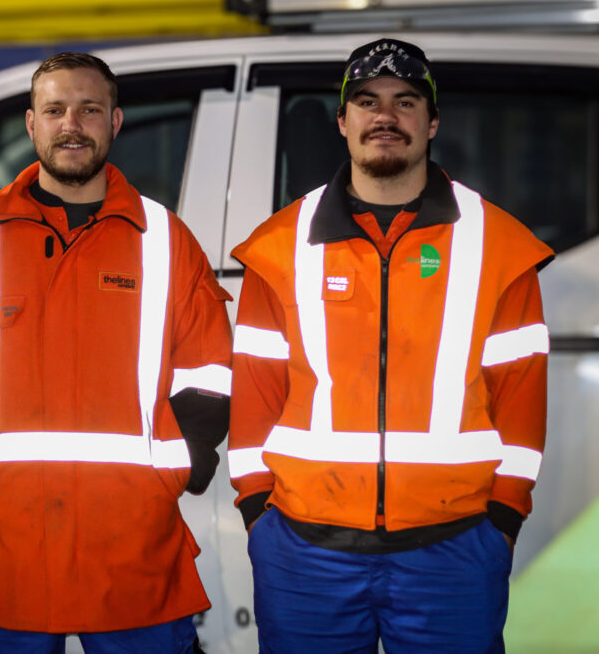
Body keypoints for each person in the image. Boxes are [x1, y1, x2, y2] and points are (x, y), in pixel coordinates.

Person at [228, 38, 552, 652]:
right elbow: (255, 394)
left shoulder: (499, 245)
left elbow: (522, 395)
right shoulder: (279, 247)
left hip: (453, 551)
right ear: (343, 121)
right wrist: (258, 514)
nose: (386, 117)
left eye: (406, 102)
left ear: (432, 123)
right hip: (303, 552)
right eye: (368, 101)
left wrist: (503, 520)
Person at [0, 52, 233, 653]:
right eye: (55, 110)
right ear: (31, 124)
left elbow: (208, 367)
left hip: (136, 547)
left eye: (89, 109)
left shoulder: (165, 239)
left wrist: (181, 466)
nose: (72, 124)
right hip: (6, 545)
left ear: (116, 121)